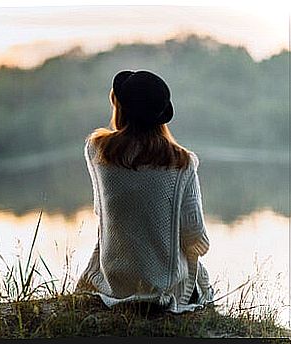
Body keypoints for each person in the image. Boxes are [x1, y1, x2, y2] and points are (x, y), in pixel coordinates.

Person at [75, 70, 214, 313]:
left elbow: (102, 212)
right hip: (163, 288)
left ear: (121, 110)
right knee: (197, 274)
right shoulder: (182, 163)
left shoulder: (97, 150)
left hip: (114, 283)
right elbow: (195, 237)